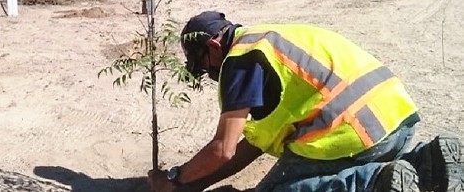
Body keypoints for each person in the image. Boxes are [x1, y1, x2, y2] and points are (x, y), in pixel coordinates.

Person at [147, 11, 464, 192]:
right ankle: (425, 162)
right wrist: (195, 184)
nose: (207, 72)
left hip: (352, 134)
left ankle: (372, 183)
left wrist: (175, 180)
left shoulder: (241, 60)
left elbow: (223, 149)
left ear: (214, 46)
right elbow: (248, 148)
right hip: (395, 122)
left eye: (203, 64)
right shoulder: (268, 39)